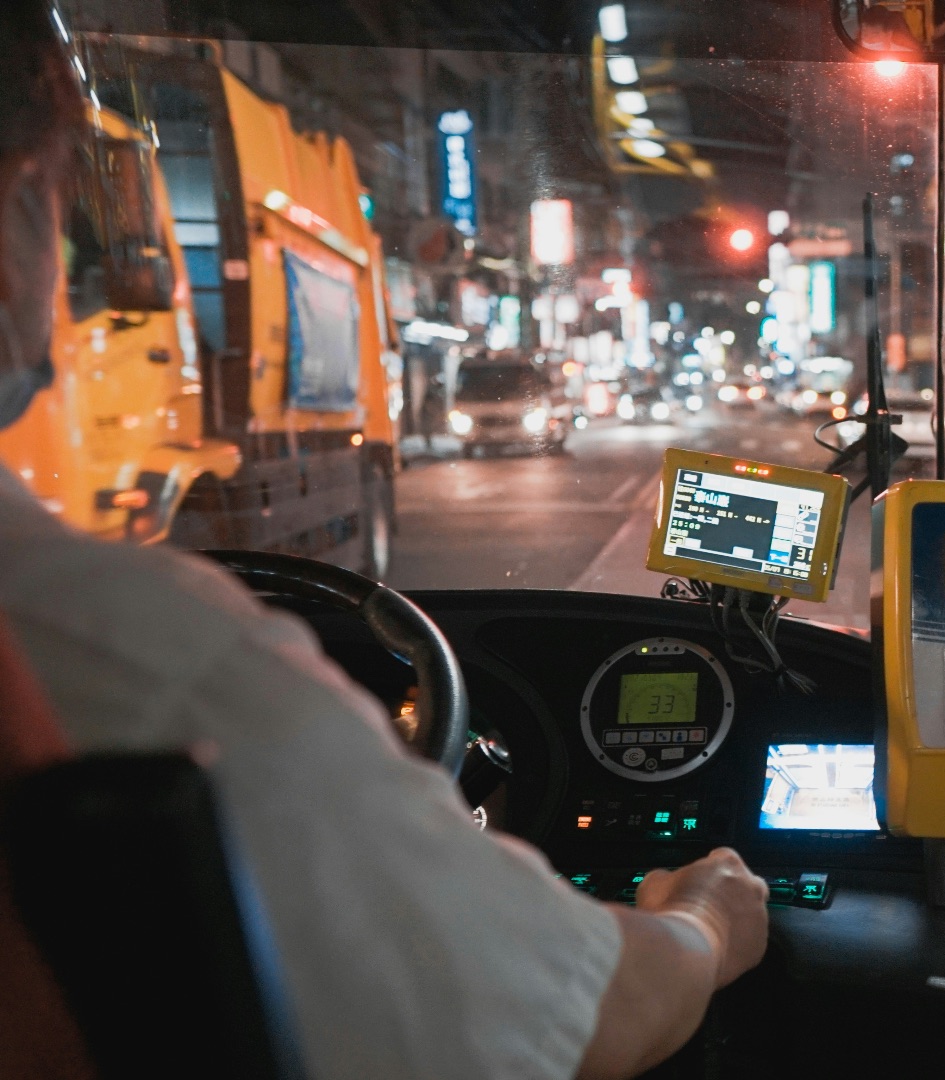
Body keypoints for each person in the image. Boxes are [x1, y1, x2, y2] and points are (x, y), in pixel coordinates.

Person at [0, 8, 768, 1080]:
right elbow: (597, 1011)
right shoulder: (147, 661)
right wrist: (710, 918)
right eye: (56, 187)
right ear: (24, 205)